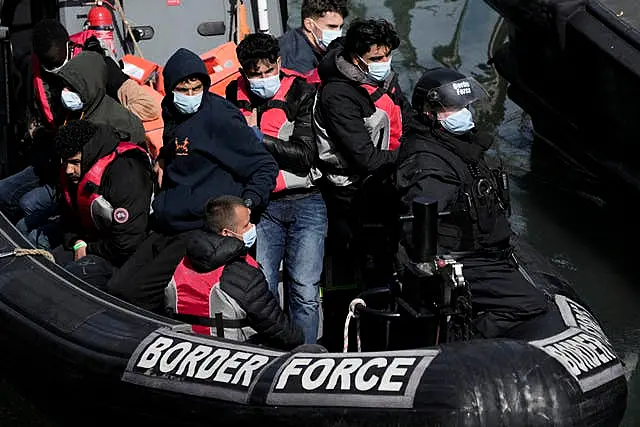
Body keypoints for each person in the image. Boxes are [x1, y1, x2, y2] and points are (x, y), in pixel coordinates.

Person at [107, 47, 278, 313]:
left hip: (198, 225)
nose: (190, 97)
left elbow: (264, 165)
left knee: (137, 293)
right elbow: (183, 143)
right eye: (183, 90)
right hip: (168, 220)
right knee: (118, 287)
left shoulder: (219, 117)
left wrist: (247, 205)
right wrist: (164, 156)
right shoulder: (171, 111)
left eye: (196, 89)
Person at [396, 67, 549, 338]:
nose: (463, 113)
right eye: (452, 108)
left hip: (488, 249)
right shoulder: (428, 160)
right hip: (465, 257)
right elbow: (420, 226)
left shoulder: (461, 145)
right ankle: (465, 337)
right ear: (429, 113)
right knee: (530, 304)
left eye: (464, 106)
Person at [0, 20, 158, 228]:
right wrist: (37, 132)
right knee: (4, 192)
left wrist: (99, 124)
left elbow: (148, 106)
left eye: (60, 65)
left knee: (30, 204)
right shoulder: (38, 76)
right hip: (55, 154)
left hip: (86, 162)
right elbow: (33, 118)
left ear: (68, 48)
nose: (57, 71)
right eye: (51, 66)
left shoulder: (97, 66)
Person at [226, 33, 325, 344]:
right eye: (254, 74)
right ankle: (269, 352)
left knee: (304, 288)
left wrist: (260, 139)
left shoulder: (302, 92)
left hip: (306, 201)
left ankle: (307, 353)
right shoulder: (233, 92)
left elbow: (305, 155)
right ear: (243, 72)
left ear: (279, 63)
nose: (262, 79)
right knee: (263, 285)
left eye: (268, 71)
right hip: (262, 206)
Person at [313, 18, 414, 289]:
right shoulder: (337, 95)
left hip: (384, 181)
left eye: (388, 55)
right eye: (376, 57)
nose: (384, 61)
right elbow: (365, 158)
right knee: (356, 265)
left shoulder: (383, 79)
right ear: (355, 58)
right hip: (349, 194)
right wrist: (411, 155)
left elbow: (406, 115)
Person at [17, 51, 148, 245]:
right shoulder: (72, 112)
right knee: (22, 223)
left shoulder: (116, 122)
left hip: (92, 197)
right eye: (65, 87)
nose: (66, 93)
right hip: (68, 189)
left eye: (72, 87)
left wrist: (80, 243)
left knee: (31, 209)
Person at [165, 196, 304, 350]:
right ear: (226, 232)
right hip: (233, 358)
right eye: (246, 225)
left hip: (183, 355)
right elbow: (283, 332)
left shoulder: (177, 262)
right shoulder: (244, 275)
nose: (252, 227)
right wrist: (299, 338)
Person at [46, 120, 152, 288]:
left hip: (123, 253)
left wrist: (89, 249)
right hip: (88, 241)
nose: (68, 170)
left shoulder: (126, 174)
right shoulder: (73, 175)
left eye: (75, 162)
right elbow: (67, 217)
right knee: (45, 266)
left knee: (69, 280)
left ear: (89, 154)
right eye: (65, 162)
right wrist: (76, 241)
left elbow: (128, 243)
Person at [279, 0, 349, 75]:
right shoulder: (296, 58)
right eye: (331, 26)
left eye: (340, 27)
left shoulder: (321, 46)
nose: (338, 32)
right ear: (309, 24)